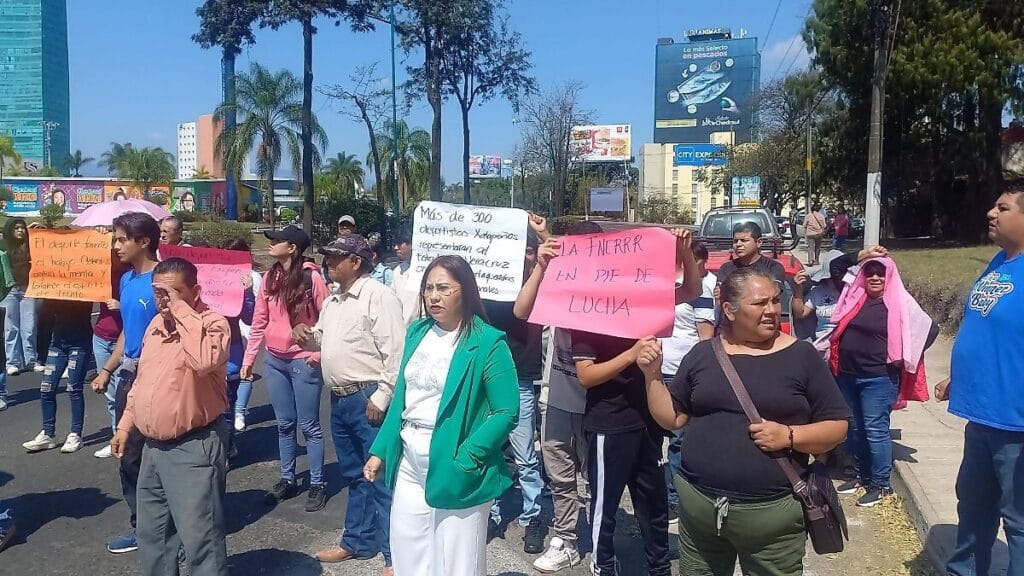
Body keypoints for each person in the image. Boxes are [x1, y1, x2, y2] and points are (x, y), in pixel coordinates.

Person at [640, 267, 850, 575]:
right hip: (700, 513)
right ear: (729, 310)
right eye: (760, 303)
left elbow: (838, 426)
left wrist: (789, 436)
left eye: (776, 301)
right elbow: (673, 417)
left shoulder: (801, 356)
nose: (772, 311)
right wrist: (652, 375)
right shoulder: (702, 354)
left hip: (773, 518)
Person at [365, 255, 519, 576]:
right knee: (408, 551)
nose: (433, 296)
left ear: (465, 291)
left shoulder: (488, 342)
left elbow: (507, 411)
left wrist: (469, 455)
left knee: (456, 562)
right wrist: (381, 450)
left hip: (457, 461)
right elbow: (401, 398)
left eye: (443, 288)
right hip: (410, 458)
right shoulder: (417, 332)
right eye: (428, 288)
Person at [573, 229, 702, 576]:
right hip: (607, 423)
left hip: (646, 420)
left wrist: (684, 251)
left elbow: (692, 290)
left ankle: (659, 567)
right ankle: (602, 564)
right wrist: (631, 355)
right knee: (606, 505)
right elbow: (586, 375)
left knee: (653, 503)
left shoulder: (646, 300)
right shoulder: (587, 313)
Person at [111, 257, 231, 576]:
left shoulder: (212, 323)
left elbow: (203, 360)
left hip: (194, 447)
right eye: (158, 293)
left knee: (200, 541)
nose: (162, 300)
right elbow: (142, 383)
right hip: (153, 448)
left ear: (195, 291)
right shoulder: (155, 327)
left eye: (172, 292)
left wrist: (180, 310)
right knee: (153, 538)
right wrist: (125, 425)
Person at [296, 234, 405, 573]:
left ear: (356, 262)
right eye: (327, 256)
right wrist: (308, 335)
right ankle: (356, 542)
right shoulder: (334, 300)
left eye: (336, 257)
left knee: (381, 477)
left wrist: (382, 395)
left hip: (367, 397)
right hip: (341, 399)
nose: (328, 262)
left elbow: (395, 352)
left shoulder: (379, 297)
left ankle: (393, 556)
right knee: (354, 476)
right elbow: (324, 336)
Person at [938, 182, 1024, 576]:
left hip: (1016, 427)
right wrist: (960, 378)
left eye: (1003, 208)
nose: (991, 213)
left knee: (1019, 523)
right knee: (972, 512)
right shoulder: (999, 262)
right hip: (982, 417)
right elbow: (992, 331)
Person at [512, 221, 597, 573]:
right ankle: (566, 539)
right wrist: (543, 265)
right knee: (560, 474)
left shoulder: (614, 288)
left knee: (599, 478)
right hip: (558, 394)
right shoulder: (557, 281)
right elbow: (522, 310)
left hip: (600, 401)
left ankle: (603, 542)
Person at [829, 257, 938, 507]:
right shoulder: (854, 297)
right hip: (847, 375)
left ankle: (880, 485)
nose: (875, 278)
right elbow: (837, 266)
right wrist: (864, 254)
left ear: (888, 276)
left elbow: (930, 329)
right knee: (854, 428)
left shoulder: (900, 302)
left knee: (875, 430)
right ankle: (861, 476)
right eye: (870, 273)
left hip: (878, 378)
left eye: (880, 273)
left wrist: (907, 355)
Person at [241, 225, 330, 511]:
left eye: (277, 241)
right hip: (275, 360)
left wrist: (317, 355)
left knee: (310, 426)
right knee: (284, 424)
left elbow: (329, 318)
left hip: (303, 360)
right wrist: (249, 360)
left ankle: (317, 483)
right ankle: (287, 478)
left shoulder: (311, 277)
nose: (271, 244)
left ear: (292, 247)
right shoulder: (270, 277)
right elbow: (259, 321)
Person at [90, 212, 161, 554]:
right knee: (128, 456)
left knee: (162, 457)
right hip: (128, 378)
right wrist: (107, 370)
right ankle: (140, 526)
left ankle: (172, 532)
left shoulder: (164, 282)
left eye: (121, 239)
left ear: (144, 241)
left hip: (160, 381)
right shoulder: (127, 281)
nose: (115, 245)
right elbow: (126, 332)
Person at [483, 217, 548, 553]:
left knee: (525, 457)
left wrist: (543, 235)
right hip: (488, 379)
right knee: (489, 451)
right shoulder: (485, 278)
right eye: (517, 250)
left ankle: (532, 516)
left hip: (520, 377)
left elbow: (563, 266)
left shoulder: (540, 280)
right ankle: (491, 514)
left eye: (528, 251)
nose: (523, 256)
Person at [660, 241, 717, 520]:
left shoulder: (696, 288)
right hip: (654, 372)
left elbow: (706, 337)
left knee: (680, 440)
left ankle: (676, 498)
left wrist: (699, 375)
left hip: (683, 373)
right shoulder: (653, 283)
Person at [21, 296, 95, 454]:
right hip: (58, 342)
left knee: (74, 388)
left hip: (80, 342)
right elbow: (44, 312)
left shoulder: (84, 286)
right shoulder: (55, 289)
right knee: (46, 388)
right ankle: (48, 434)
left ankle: (75, 434)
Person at [792, 246, 890, 346]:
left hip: (847, 344)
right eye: (831, 278)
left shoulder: (854, 292)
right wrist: (798, 289)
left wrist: (868, 254)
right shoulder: (818, 292)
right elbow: (800, 314)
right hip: (823, 344)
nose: (835, 279)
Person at [220, 238, 258, 454]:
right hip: (205, 348)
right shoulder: (204, 279)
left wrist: (248, 293)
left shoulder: (243, 282)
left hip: (232, 348)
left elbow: (250, 317)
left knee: (226, 403)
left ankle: (226, 448)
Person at [93, 248, 127, 458]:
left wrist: (121, 306)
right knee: (110, 393)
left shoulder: (133, 275)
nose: (117, 247)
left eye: (122, 240)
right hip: (101, 336)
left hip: (123, 339)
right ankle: (116, 435)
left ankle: (128, 436)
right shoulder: (97, 269)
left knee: (124, 392)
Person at [2, 218, 41, 375]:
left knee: (29, 326)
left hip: (28, 289)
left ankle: (31, 360)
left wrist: (37, 228)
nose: (20, 230)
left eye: (22, 228)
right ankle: (13, 362)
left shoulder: (31, 246)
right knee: (11, 327)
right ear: (10, 230)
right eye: (16, 228)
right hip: (9, 290)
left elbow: (45, 238)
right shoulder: (4, 245)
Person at [716, 222, 786, 288]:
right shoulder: (726, 269)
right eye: (735, 241)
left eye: (744, 240)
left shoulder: (773, 268)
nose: (738, 244)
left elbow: (774, 293)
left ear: (759, 242)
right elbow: (720, 295)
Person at [390, 231, 421, 325]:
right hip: (401, 326)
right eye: (395, 245)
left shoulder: (425, 269)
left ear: (411, 245)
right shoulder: (397, 271)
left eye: (399, 244)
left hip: (420, 326)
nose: (396, 248)